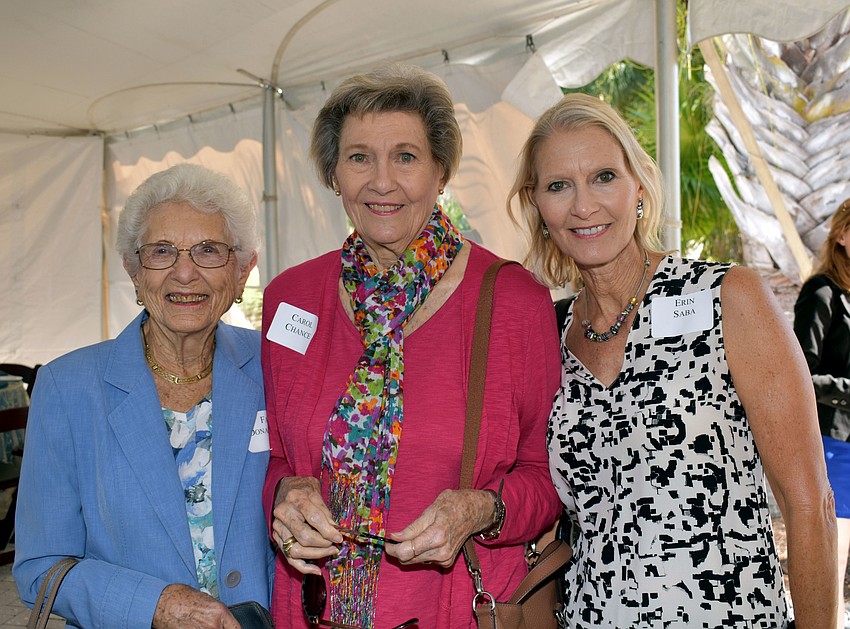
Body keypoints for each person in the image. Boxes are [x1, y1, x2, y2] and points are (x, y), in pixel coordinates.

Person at [508, 92, 837, 628]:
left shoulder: (727, 298)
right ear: (538, 206)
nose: (584, 205)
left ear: (638, 185)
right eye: (558, 186)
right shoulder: (546, 335)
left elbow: (810, 506)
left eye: (604, 177)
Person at [261, 62, 561, 629]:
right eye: (358, 157)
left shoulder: (515, 302)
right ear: (334, 175)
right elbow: (275, 453)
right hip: (309, 612)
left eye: (405, 156)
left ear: (441, 170)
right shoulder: (290, 299)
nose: (381, 181)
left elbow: (547, 476)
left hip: (457, 612)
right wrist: (285, 493)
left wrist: (481, 508)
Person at [14, 164, 275, 629]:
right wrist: (150, 604)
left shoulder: (273, 367)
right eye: (161, 252)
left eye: (209, 250)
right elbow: (41, 567)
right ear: (134, 273)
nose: (185, 273)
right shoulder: (67, 387)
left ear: (241, 271)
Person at [794, 198, 850, 629]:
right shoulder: (822, 292)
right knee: (836, 547)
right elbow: (799, 376)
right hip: (834, 440)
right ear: (842, 236)